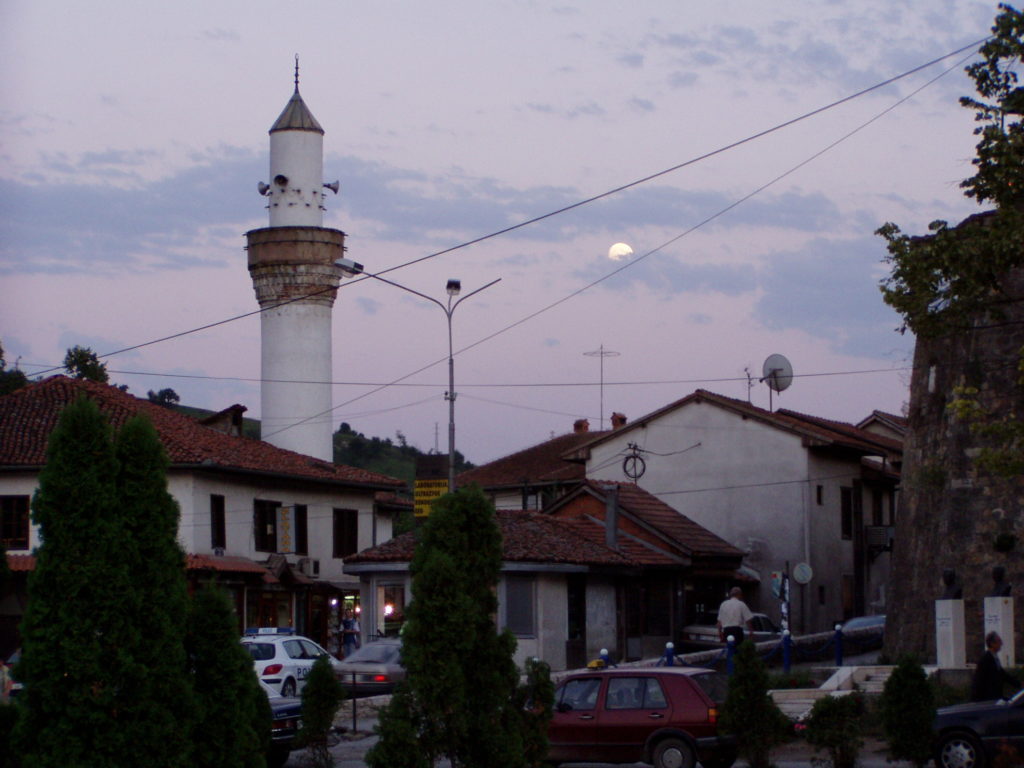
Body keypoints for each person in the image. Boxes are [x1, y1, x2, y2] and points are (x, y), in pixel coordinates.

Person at [971, 631, 1019, 701]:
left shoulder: (994, 658)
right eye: (999, 641)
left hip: (995, 697)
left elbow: (1003, 674)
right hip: (988, 699)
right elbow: (979, 680)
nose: (1001, 644)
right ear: (992, 644)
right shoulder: (985, 659)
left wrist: (1017, 684)